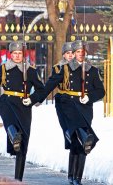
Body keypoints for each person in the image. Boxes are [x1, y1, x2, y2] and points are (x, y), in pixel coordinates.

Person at [40, 40, 105, 185]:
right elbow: (50, 84)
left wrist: (89, 97)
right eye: (75, 52)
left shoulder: (92, 70)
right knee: (80, 139)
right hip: (68, 105)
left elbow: (101, 91)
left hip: (85, 108)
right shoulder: (64, 68)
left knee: (81, 144)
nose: (78, 54)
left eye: (82, 52)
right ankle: (73, 177)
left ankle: (76, 177)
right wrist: (36, 98)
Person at [0, 41, 45, 182]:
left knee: (23, 146)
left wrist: (33, 99)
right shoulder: (4, 68)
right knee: (9, 121)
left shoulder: (31, 70)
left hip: (24, 106)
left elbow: (42, 90)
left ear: (23, 54)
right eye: (14, 53)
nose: (17, 56)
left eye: (20, 53)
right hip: (8, 102)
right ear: (11, 54)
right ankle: (14, 136)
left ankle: (18, 179)